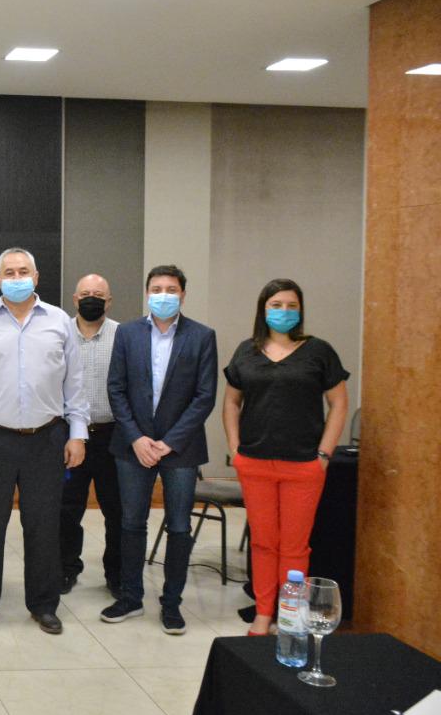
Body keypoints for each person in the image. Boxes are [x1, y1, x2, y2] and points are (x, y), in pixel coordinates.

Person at [0, 247, 87, 636]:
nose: (16, 277)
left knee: (43, 526)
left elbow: (75, 384)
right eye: (9, 272)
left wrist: (78, 434)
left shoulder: (59, 323)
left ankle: (43, 604)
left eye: (23, 271)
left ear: (36, 277)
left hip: (47, 439)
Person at [223, 278, 348, 637]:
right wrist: (235, 448)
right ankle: (264, 613)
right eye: (276, 305)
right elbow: (231, 403)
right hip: (255, 463)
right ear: (263, 309)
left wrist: (324, 454)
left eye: (292, 305)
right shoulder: (246, 351)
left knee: (295, 547)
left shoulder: (319, 351)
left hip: (304, 465)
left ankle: (289, 615)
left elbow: (339, 403)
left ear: (301, 310)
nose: (284, 311)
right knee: (263, 543)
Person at [102, 264, 218, 635]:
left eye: (171, 289)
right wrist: (137, 437)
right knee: (131, 522)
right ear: (147, 293)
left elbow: (204, 396)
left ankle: (172, 603)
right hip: (133, 446)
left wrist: (169, 442)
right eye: (156, 289)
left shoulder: (202, 336)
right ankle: (131, 597)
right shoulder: (127, 333)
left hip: (180, 448)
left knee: (179, 526)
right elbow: (116, 388)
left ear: (183, 294)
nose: (163, 295)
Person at [58, 273, 123, 598]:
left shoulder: (123, 336)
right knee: (66, 509)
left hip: (112, 435)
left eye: (98, 294)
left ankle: (117, 574)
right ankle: (66, 568)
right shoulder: (59, 333)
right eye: (85, 294)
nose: (91, 299)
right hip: (70, 436)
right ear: (75, 299)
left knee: (117, 510)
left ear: (109, 302)